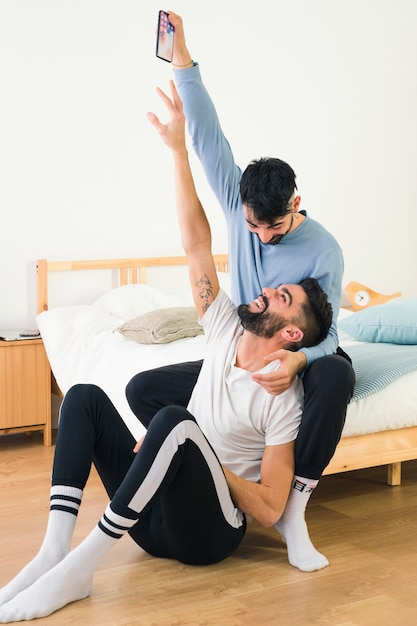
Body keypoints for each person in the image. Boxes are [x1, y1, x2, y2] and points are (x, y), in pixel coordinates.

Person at [0, 81, 332, 622]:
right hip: (152, 526)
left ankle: (83, 567)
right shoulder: (226, 326)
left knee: (176, 421)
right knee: (82, 397)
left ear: (292, 334)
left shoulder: (283, 396)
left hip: (211, 535)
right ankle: (54, 553)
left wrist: (205, 461)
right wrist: (178, 150)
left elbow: (271, 507)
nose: (268, 285)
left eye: (283, 295)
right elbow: (196, 243)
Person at [126, 12, 355, 573]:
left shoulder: (324, 251)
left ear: (295, 204)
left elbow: (324, 332)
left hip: (301, 351)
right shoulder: (240, 205)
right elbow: (208, 137)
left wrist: (298, 358)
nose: (258, 238)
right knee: (141, 390)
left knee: (336, 375)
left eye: (271, 230)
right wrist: (182, 58)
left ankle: (292, 506)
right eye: (252, 227)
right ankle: (200, 457)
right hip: (244, 350)